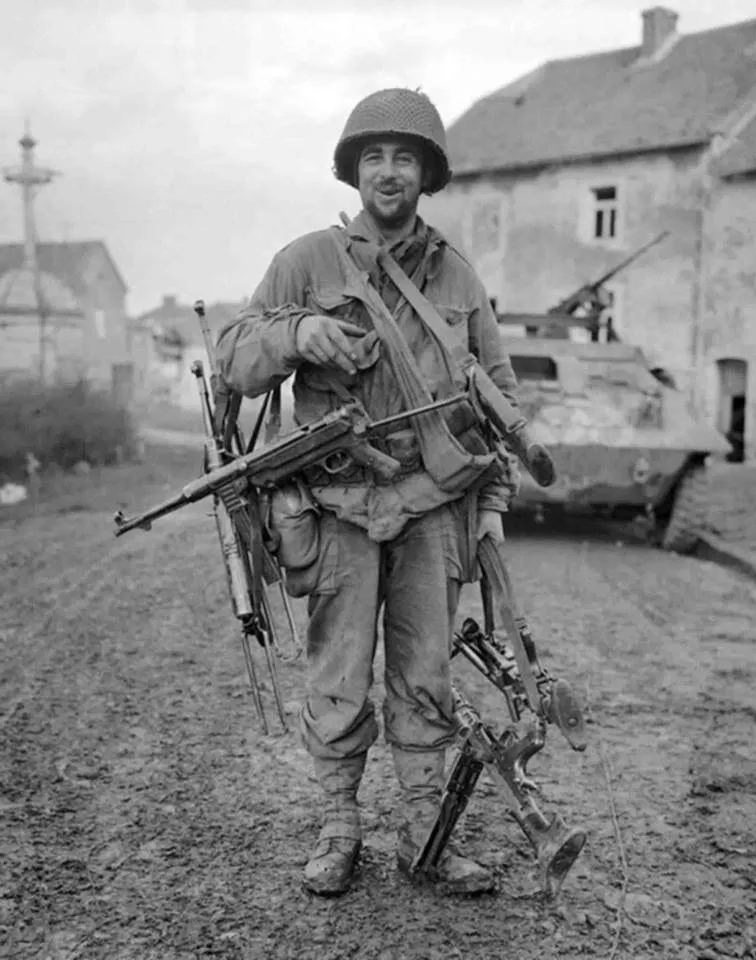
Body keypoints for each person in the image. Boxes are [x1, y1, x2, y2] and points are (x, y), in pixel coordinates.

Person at [216, 87, 522, 897]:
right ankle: (339, 827)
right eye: (374, 158)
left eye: (405, 157)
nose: (389, 173)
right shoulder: (305, 261)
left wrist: (492, 506)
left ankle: (423, 836)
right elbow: (234, 360)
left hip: (429, 509)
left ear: (428, 172)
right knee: (338, 674)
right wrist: (293, 332)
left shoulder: (457, 276)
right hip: (338, 507)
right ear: (354, 171)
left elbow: (498, 391)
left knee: (425, 674)